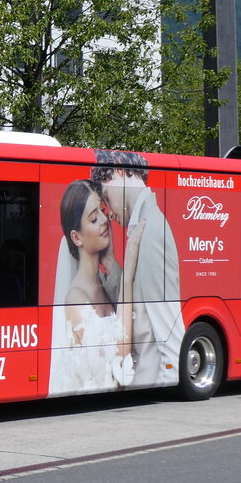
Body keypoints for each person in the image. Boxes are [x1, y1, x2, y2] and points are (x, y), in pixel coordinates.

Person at [90, 151, 184, 387]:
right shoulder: (144, 227)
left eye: (106, 197)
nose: (108, 212)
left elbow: (170, 338)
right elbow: (136, 309)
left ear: (120, 171)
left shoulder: (151, 231)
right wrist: (110, 262)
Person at [49, 179, 142, 392]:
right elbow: (118, 356)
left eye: (102, 209)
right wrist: (127, 278)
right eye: (93, 218)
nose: (104, 219)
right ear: (76, 238)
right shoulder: (76, 298)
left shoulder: (103, 283)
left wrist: (110, 262)